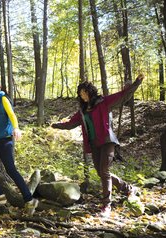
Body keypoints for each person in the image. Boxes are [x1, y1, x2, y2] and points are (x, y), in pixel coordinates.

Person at [51, 74, 144, 217]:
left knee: (104, 172)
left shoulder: (103, 102)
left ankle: (107, 205)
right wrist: (57, 125)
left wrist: (136, 83)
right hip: (93, 145)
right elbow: (71, 123)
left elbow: (122, 95)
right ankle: (128, 188)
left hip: (107, 141)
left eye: (85, 93)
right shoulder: (82, 111)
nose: (83, 96)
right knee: (101, 173)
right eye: (81, 94)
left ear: (91, 91)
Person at [0, 78, 38, 215]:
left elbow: (12, 115)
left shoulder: (3, 99)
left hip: (5, 140)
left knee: (11, 170)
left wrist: (16, 128)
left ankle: (29, 200)